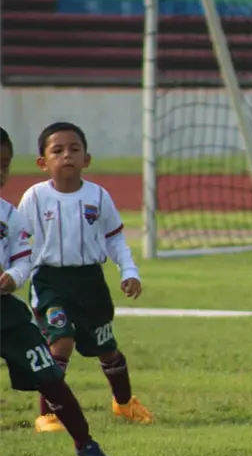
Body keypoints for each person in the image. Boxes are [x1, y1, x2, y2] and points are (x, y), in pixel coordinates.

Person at [16, 122, 153, 433]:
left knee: (106, 346)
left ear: (86, 159)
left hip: (90, 281)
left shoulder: (98, 197)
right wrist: (13, 271)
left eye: (74, 149)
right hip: (50, 281)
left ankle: (123, 402)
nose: (67, 155)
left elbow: (115, 239)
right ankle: (49, 415)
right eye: (58, 150)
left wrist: (129, 271)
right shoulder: (35, 197)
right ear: (43, 162)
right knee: (60, 342)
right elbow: (18, 239)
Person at [0, 126, 115, 456]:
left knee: (50, 375)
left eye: (4, 165)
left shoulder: (8, 214)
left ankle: (87, 445)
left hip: (5, 313)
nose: (0, 173)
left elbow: (23, 258)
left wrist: (14, 277)